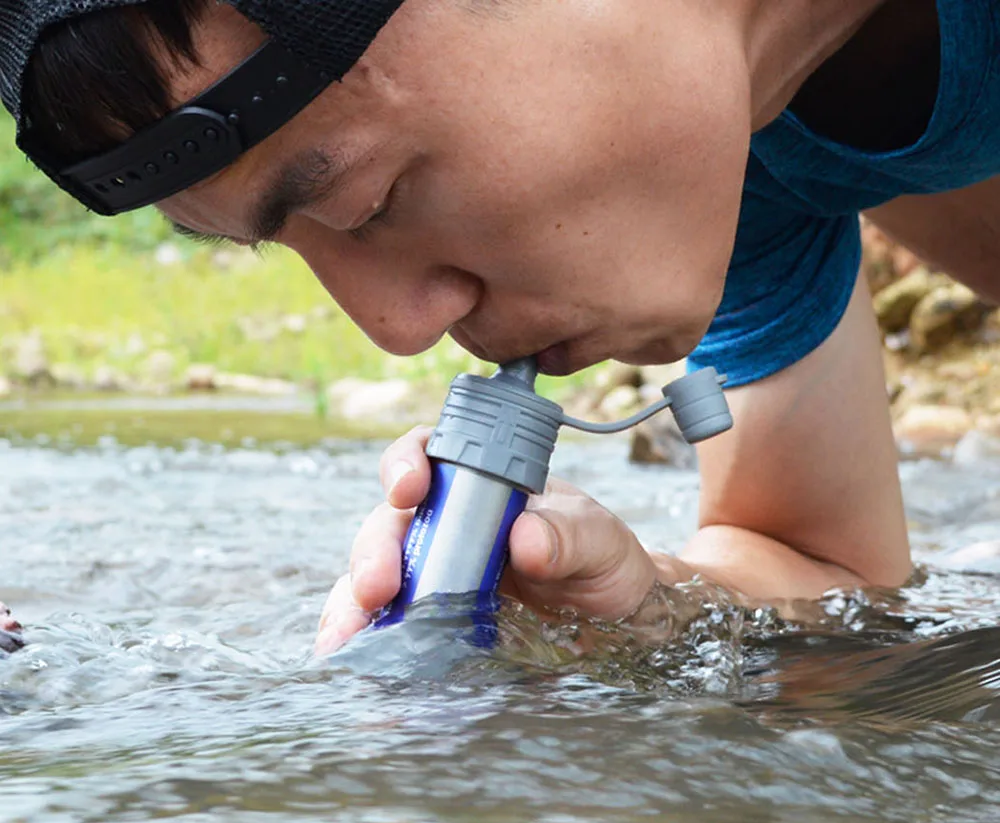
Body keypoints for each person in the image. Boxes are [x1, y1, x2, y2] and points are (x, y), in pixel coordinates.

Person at [2, 0, 997, 655]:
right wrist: (645, 603)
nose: (395, 329)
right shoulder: (722, 162)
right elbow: (835, 571)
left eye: (367, 199)